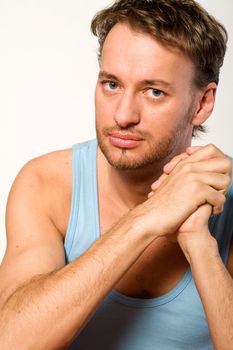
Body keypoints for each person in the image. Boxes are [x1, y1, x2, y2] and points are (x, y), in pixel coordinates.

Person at [0, 0, 232, 349]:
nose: (123, 115)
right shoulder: (47, 184)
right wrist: (148, 218)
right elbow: (11, 341)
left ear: (201, 104)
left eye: (154, 92)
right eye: (111, 84)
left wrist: (198, 242)